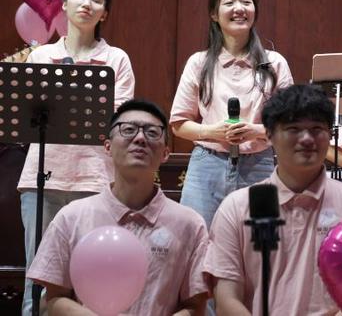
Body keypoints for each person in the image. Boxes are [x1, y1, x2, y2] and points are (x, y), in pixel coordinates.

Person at [204, 84, 342, 315]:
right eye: (293, 129)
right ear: (269, 135)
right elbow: (226, 299)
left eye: (317, 128)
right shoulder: (237, 208)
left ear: (330, 134)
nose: (307, 139)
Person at [18, 0, 135, 316]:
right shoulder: (41, 56)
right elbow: (27, 113)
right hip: (42, 179)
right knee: (37, 278)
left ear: (104, 13)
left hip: (96, 180)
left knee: (93, 280)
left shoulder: (116, 59)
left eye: (96, 0)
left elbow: (119, 119)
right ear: (64, 5)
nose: (87, 4)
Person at [27, 99, 208, 316]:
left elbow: (195, 306)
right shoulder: (71, 217)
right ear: (108, 147)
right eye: (128, 130)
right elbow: (55, 299)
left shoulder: (190, 224)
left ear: (165, 153)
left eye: (152, 132)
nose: (140, 138)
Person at [171, 0, 293, 228]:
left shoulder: (275, 63)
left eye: (246, 2)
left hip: (259, 163)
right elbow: (179, 123)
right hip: (207, 165)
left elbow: (290, 125)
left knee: (261, 242)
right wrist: (212, 132)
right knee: (198, 237)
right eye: (229, 2)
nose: (239, 8)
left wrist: (256, 131)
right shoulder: (199, 63)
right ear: (214, 14)